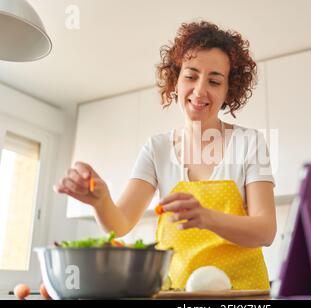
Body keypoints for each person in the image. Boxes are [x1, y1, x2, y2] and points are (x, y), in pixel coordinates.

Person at [54, 21, 276, 290]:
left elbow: (265, 230)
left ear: (229, 91)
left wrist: (207, 217)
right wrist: (101, 202)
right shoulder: (156, 148)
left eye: (215, 81)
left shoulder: (250, 142)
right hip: (178, 292)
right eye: (191, 76)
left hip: (244, 294)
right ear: (176, 80)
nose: (200, 90)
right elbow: (121, 223)